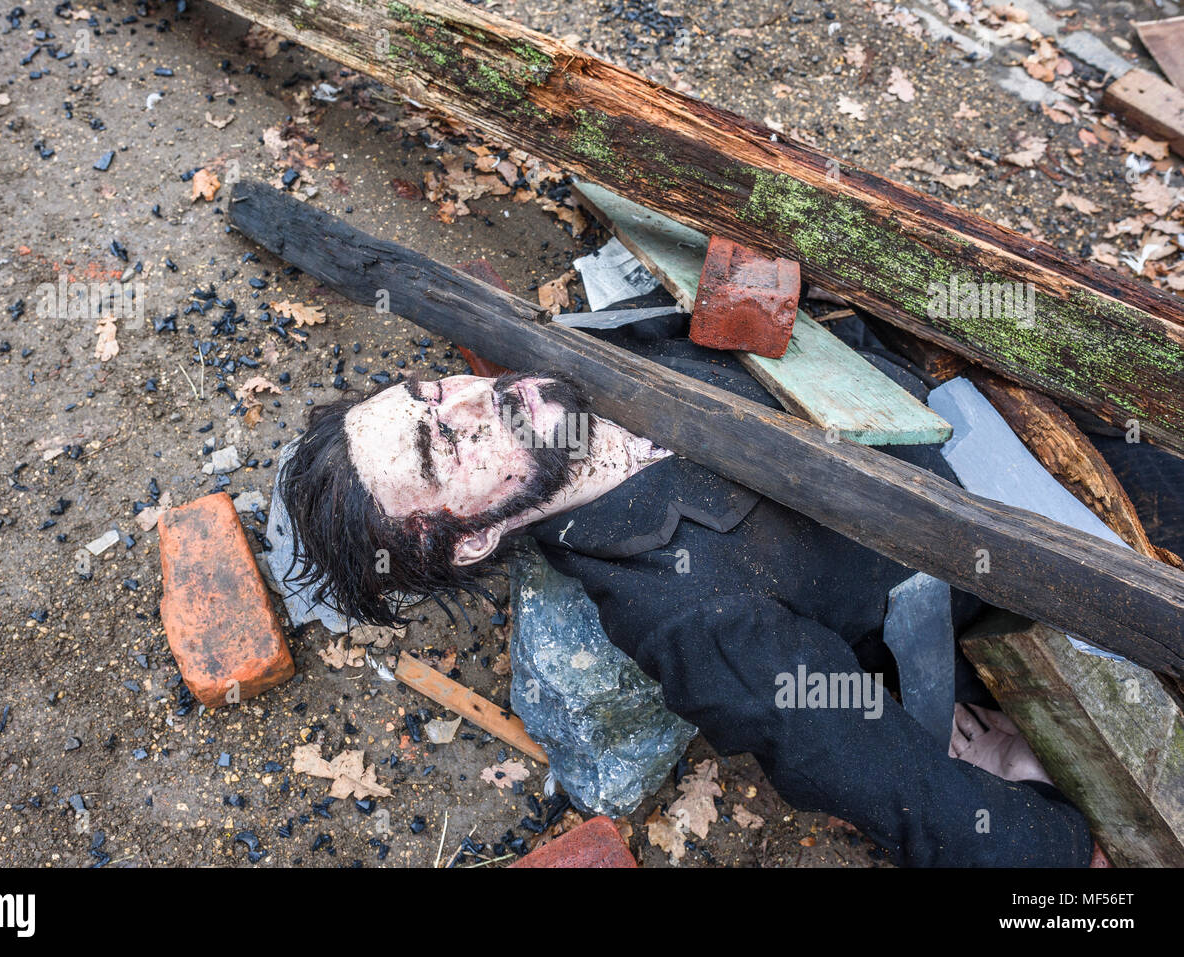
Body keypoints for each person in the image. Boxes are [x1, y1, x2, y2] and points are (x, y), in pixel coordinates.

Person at [278, 310, 1150, 866]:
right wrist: (1061, 856)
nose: (472, 403)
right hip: (1029, 518)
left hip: (962, 370)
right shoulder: (692, 614)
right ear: (470, 539)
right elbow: (870, 767)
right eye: (441, 451)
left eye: (434, 393)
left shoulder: (574, 364)